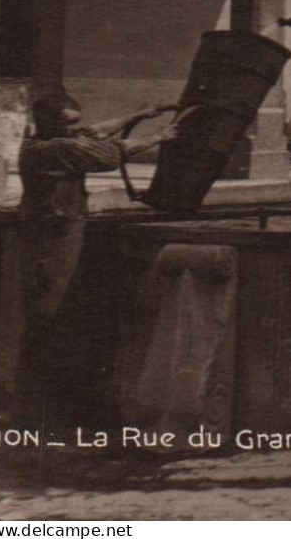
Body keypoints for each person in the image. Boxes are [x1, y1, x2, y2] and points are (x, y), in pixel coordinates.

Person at [15, 93, 177, 422]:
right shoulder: (50, 150)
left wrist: (139, 112)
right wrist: (159, 136)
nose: (78, 128)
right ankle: (35, 409)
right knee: (48, 318)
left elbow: (93, 133)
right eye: (70, 123)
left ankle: (48, 404)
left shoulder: (58, 139)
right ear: (51, 125)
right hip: (50, 244)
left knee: (58, 319)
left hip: (63, 235)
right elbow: (106, 155)